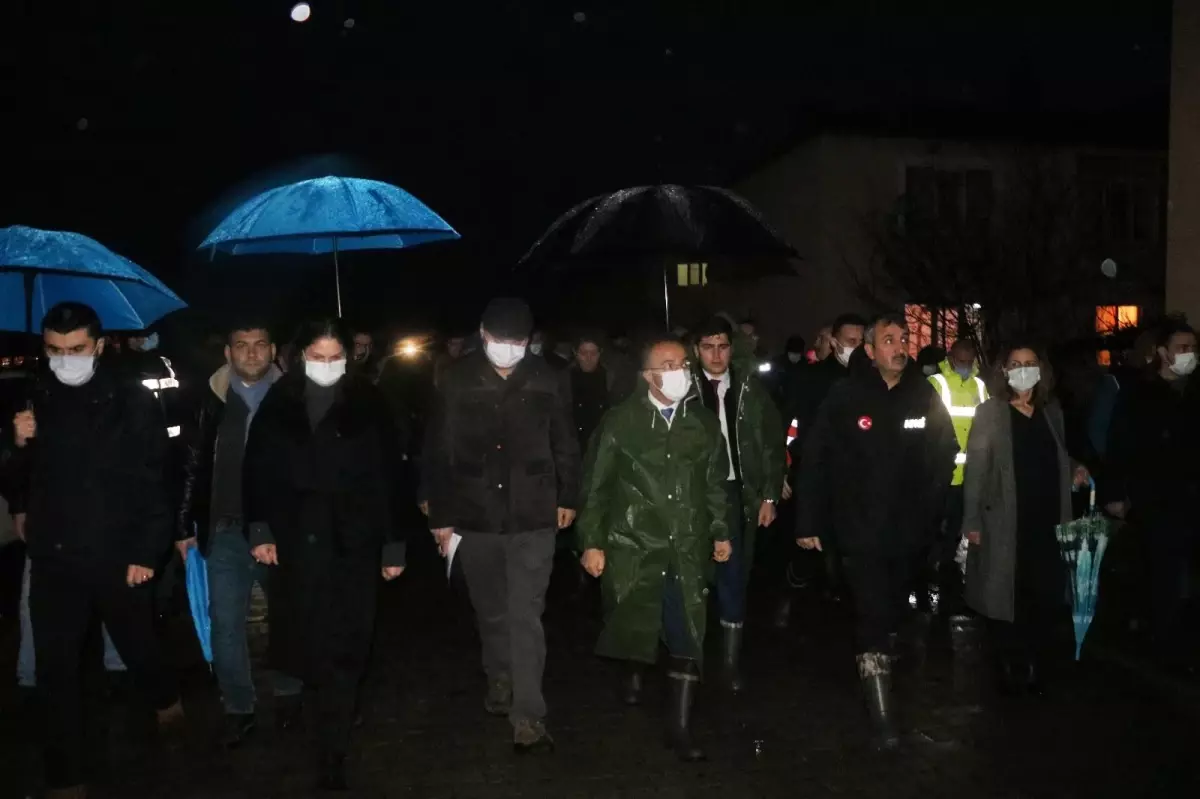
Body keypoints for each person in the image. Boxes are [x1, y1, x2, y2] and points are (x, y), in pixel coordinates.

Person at [8, 302, 183, 798]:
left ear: (99, 346)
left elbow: (155, 482)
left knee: (137, 644)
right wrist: (19, 444)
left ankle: (164, 697)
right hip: (55, 558)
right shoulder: (34, 394)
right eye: (55, 350)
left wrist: (147, 552)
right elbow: (19, 479)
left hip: (116, 552)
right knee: (54, 668)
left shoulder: (131, 400)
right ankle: (66, 775)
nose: (66, 359)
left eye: (77, 349)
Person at [243, 318, 407, 791]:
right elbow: (258, 469)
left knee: (348, 644)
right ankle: (322, 713)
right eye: (319, 358)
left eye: (337, 358)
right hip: (296, 545)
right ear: (300, 357)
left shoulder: (369, 404)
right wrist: (261, 527)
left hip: (353, 543)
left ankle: (333, 745)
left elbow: (387, 478)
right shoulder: (280, 404)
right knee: (308, 642)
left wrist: (392, 542)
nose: (328, 366)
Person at [422, 297, 580, 754]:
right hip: (475, 514)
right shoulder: (455, 379)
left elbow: (565, 441)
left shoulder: (548, 378)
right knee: (491, 609)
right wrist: (441, 516)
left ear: (528, 342)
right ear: (482, 336)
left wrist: (569, 495)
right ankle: (499, 675)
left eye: (516, 342)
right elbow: (438, 451)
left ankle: (529, 714)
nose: (507, 349)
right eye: (499, 341)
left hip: (534, 512)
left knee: (525, 614)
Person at [795, 313, 957, 749]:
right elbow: (815, 457)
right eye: (889, 339)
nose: (899, 346)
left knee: (890, 611)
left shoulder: (922, 395)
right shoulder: (845, 396)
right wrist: (809, 521)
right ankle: (882, 716)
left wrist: (930, 510)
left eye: (903, 339)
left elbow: (945, 453)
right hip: (858, 531)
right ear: (870, 350)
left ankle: (879, 673)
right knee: (870, 610)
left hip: (908, 535)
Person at [577, 335, 732, 762]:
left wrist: (721, 531)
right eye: (668, 365)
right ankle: (633, 669)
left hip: (685, 546)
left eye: (683, 364)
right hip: (634, 545)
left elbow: (715, 482)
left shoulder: (700, 422)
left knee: (686, 630)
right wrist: (592, 543)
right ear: (647, 375)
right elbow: (596, 489)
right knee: (636, 619)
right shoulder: (620, 422)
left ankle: (679, 727)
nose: (680, 371)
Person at [175, 320, 303, 748]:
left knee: (289, 614)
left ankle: (290, 695)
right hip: (226, 528)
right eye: (242, 346)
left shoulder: (294, 397)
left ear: (273, 351)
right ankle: (238, 706)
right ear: (227, 353)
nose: (252, 353)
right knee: (224, 622)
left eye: (260, 345)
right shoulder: (208, 400)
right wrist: (184, 525)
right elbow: (190, 463)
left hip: (282, 529)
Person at [962, 345, 1087, 694]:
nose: (1023, 370)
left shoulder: (1052, 412)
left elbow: (1058, 455)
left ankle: (1038, 653)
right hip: (1006, 518)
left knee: (1045, 588)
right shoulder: (991, 413)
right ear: (1003, 371)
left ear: (1041, 370)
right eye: (1015, 364)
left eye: (1030, 364)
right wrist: (971, 521)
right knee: (1007, 587)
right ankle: (1013, 657)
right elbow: (976, 469)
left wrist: (1075, 468)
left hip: (1048, 515)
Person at [692, 316, 786, 691]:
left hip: (735, 492)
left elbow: (771, 443)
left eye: (723, 346)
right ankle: (690, 658)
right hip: (693, 495)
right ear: (696, 350)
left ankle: (730, 663)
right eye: (708, 347)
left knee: (733, 574)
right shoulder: (684, 388)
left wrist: (769, 494)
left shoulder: (749, 389)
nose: (716, 355)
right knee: (692, 574)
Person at [1104, 318, 1200, 672]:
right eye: (1182, 348)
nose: (1190, 355)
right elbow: (1118, 445)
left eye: (1193, 348)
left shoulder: (1194, 392)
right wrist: (1115, 492)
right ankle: (1162, 645)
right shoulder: (1140, 394)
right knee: (1162, 574)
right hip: (1156, 499)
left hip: (1192, 498)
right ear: (1163, 352)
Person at [774, 313, 867, 626]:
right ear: (835, 342)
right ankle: (799, 583)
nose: (855, 348)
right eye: (850, 342)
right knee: (811, 543)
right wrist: (780, 470)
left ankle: (838, 604)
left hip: (855, 478)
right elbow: (787, 422)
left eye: (860, 342)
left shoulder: (870, 379)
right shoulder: (812, 378)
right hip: (815, 472)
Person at [925, 338, 988, 617]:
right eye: (960, 361)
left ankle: (948, 573)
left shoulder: (980, 386)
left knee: (959, 529)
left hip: (970, 473)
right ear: (951, 359)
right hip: (943, 472)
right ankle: (931, 570)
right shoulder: (936, 383)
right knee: (936, 525)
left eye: (969, 361)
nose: (965, 366)